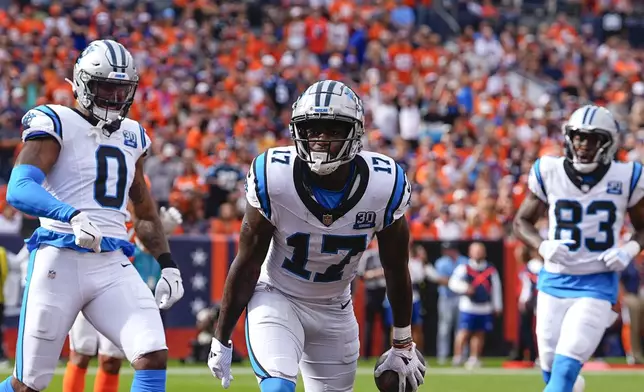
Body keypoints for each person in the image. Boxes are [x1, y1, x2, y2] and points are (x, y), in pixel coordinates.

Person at [207, 80, 426, 392]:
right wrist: (221, 336)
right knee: (278, 387)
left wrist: (403, 341)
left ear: (354, 133)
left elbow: (395, 266)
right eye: (313, 130)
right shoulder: (274, 176)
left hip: (335, 308)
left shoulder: (384, 184)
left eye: (333, 130)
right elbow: (247, 262)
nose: (321, 140)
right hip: (277, 294)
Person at [2, 39, 185, 392]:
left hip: (112, 261)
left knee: (151, 353)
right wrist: (69, 215)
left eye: (122, 90)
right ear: (83, 83)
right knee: (29, 385)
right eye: (106, 88)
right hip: (60, 257)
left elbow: (143, 208)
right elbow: (19, 187)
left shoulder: (133, 135)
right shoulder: (57, 121)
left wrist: (168, 262)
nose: (115, 99)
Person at [513, 104, 644, 392]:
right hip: (553, 280)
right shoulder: (549, 170)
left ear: (607, 143)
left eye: (592, 138)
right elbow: (521, 221)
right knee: (549, 366)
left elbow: (643, 227)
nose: (583, 145)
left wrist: (629, 249)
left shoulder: (626, 176)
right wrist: (543, 245)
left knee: (564, 370)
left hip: (597, 283)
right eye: (578, 137)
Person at [63, 202, 183, 392]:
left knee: (111, 360)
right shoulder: (90, 201)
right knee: (81, 352)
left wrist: (159, 232)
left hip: (115, 287)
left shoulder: (134, 215)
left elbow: (141, 246)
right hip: (84, 277)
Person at [448, 242, 502, 369]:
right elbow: (453, 282)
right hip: (468, 306)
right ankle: (458, 356)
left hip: (484, 307)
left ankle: (474, 357)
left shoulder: (490, 269)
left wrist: (497, 306)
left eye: (480, 251)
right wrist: (465, 288)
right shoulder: (464, 268)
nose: (478, 253)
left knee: (479, 333)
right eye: (475, 251)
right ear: (470, 252)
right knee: (464, 332)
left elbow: (496, 289)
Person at [432, 241, 468, 364]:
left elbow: (468, 279)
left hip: (461, 297)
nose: (446, 252)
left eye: (448, 250)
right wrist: (455, 283)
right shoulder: (441, 262)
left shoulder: (464, 261)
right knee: (444, 327)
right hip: (446, 297)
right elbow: (439, 279)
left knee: (462, 327)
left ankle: (462, 354)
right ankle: (442, 355)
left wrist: (454, 283)